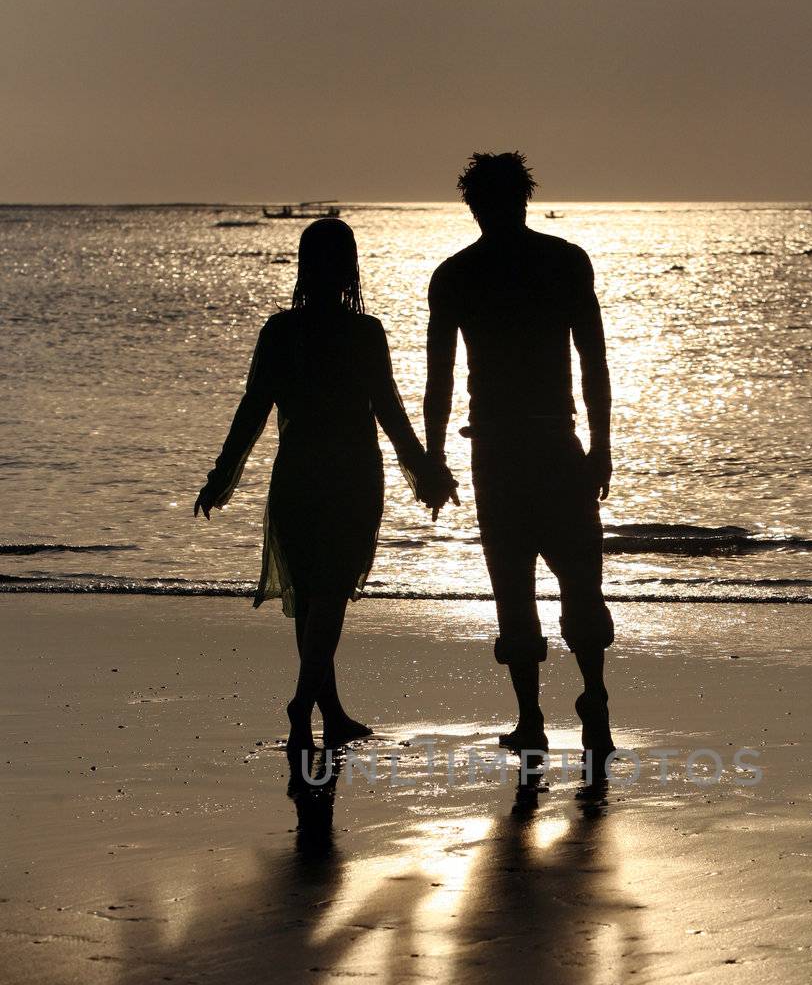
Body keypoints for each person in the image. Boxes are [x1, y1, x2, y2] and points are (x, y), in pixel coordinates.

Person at [195, 218, 456, 755]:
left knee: (313, 596)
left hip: (297, 473)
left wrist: (223, 474)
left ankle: (328, 712)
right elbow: (390, 413)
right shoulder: (364, 333)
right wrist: (425, 471)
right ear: (350, 268)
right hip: (351, 475)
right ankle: (302, 703)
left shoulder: (280, 331)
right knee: (330, 595)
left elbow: (253, 410)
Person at [424, 151, 615, 761]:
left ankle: (532, 719)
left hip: (500, 454)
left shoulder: (456, 275)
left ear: (476, 204)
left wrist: (432, 458)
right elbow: (595, 365)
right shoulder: (564, 262)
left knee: (514, 587)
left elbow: (440, 382)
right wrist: (603, 447)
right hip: (555, 444)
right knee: (580, 579)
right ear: (523, 199)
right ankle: (593, 699)